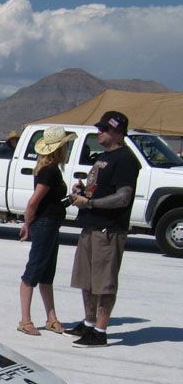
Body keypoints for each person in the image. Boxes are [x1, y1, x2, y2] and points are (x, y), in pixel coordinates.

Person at [65, 110, 140, 348]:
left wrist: (91, 203)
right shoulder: (103, 157)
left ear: (117, 132)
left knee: (104, 282)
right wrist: (83, 192)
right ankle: (88, 323)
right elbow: (98, 188)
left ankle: (100, 330)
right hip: (91, 224)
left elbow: (123, 197)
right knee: (86, 279)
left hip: (109, 229)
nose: (99, 132)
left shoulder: (126, 160)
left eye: (104, 129)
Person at [17, 125, 77, 336]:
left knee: (47, 274)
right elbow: (34, 202)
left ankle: (51, 318)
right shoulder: (50, 172)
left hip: (51, 224)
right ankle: (25, 320)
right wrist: (27, 224)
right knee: (33, 272)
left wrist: (72, 197)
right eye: (66, 145)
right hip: (44, 225)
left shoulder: (50, 170)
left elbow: (53, 203)